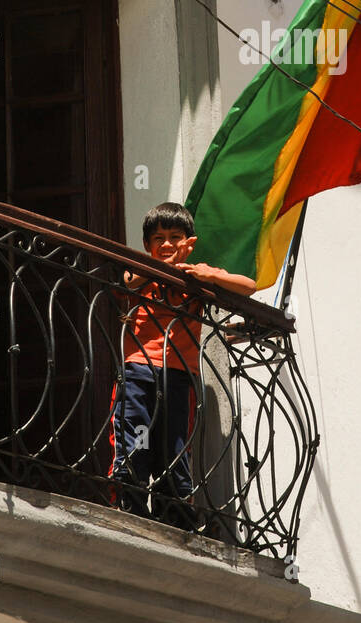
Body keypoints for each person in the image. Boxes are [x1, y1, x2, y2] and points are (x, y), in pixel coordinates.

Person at [109, 201, 256, 529]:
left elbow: (249, 286)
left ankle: (173, 509)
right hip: (138, 369)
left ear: (189, 242)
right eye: (158, 238)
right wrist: (167, 264)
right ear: (147, 245)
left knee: (174, 442)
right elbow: (128, 279)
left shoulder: (197, 276)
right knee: (134, 433)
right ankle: (129, 501)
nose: (166, 244)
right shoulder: (142, 269)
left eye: (175, 237)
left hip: (178, 374)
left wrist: (209, 274)